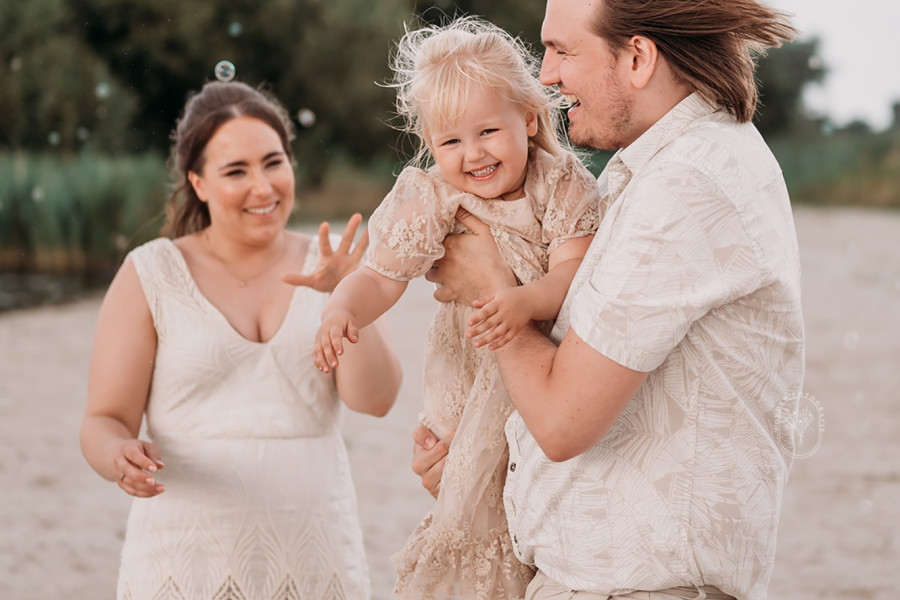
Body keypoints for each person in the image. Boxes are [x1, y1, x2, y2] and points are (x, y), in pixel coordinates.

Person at [414, 1, 805, 599]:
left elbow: (564, 420)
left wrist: (488, 287)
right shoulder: (657, 169)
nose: (545, 75)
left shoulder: (686, 184)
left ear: (638, 57)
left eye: (563, 50)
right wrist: (479, 468)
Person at [79, 80, 403, 600]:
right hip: (183, 561)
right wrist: (117, 455)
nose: (263, 187)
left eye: (274, 162)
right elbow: (104, 419)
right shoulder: (150, 272)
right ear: (198, 183)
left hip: (316, 557)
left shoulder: (335, 262)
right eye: (236, 171)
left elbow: (378, 400)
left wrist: (348, 294)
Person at [313, 17, 600, 600]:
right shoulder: (434, 196)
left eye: (488, 131)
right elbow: (380, 276)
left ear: (528, 116)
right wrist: (341, 310)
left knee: (524, 502)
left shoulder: (560, 183)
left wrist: (522, 300)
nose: (472, 155)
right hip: (466, 380)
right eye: (450, 141)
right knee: (464, 495)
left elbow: (573, 273)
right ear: (430, 144)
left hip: (539, 373)